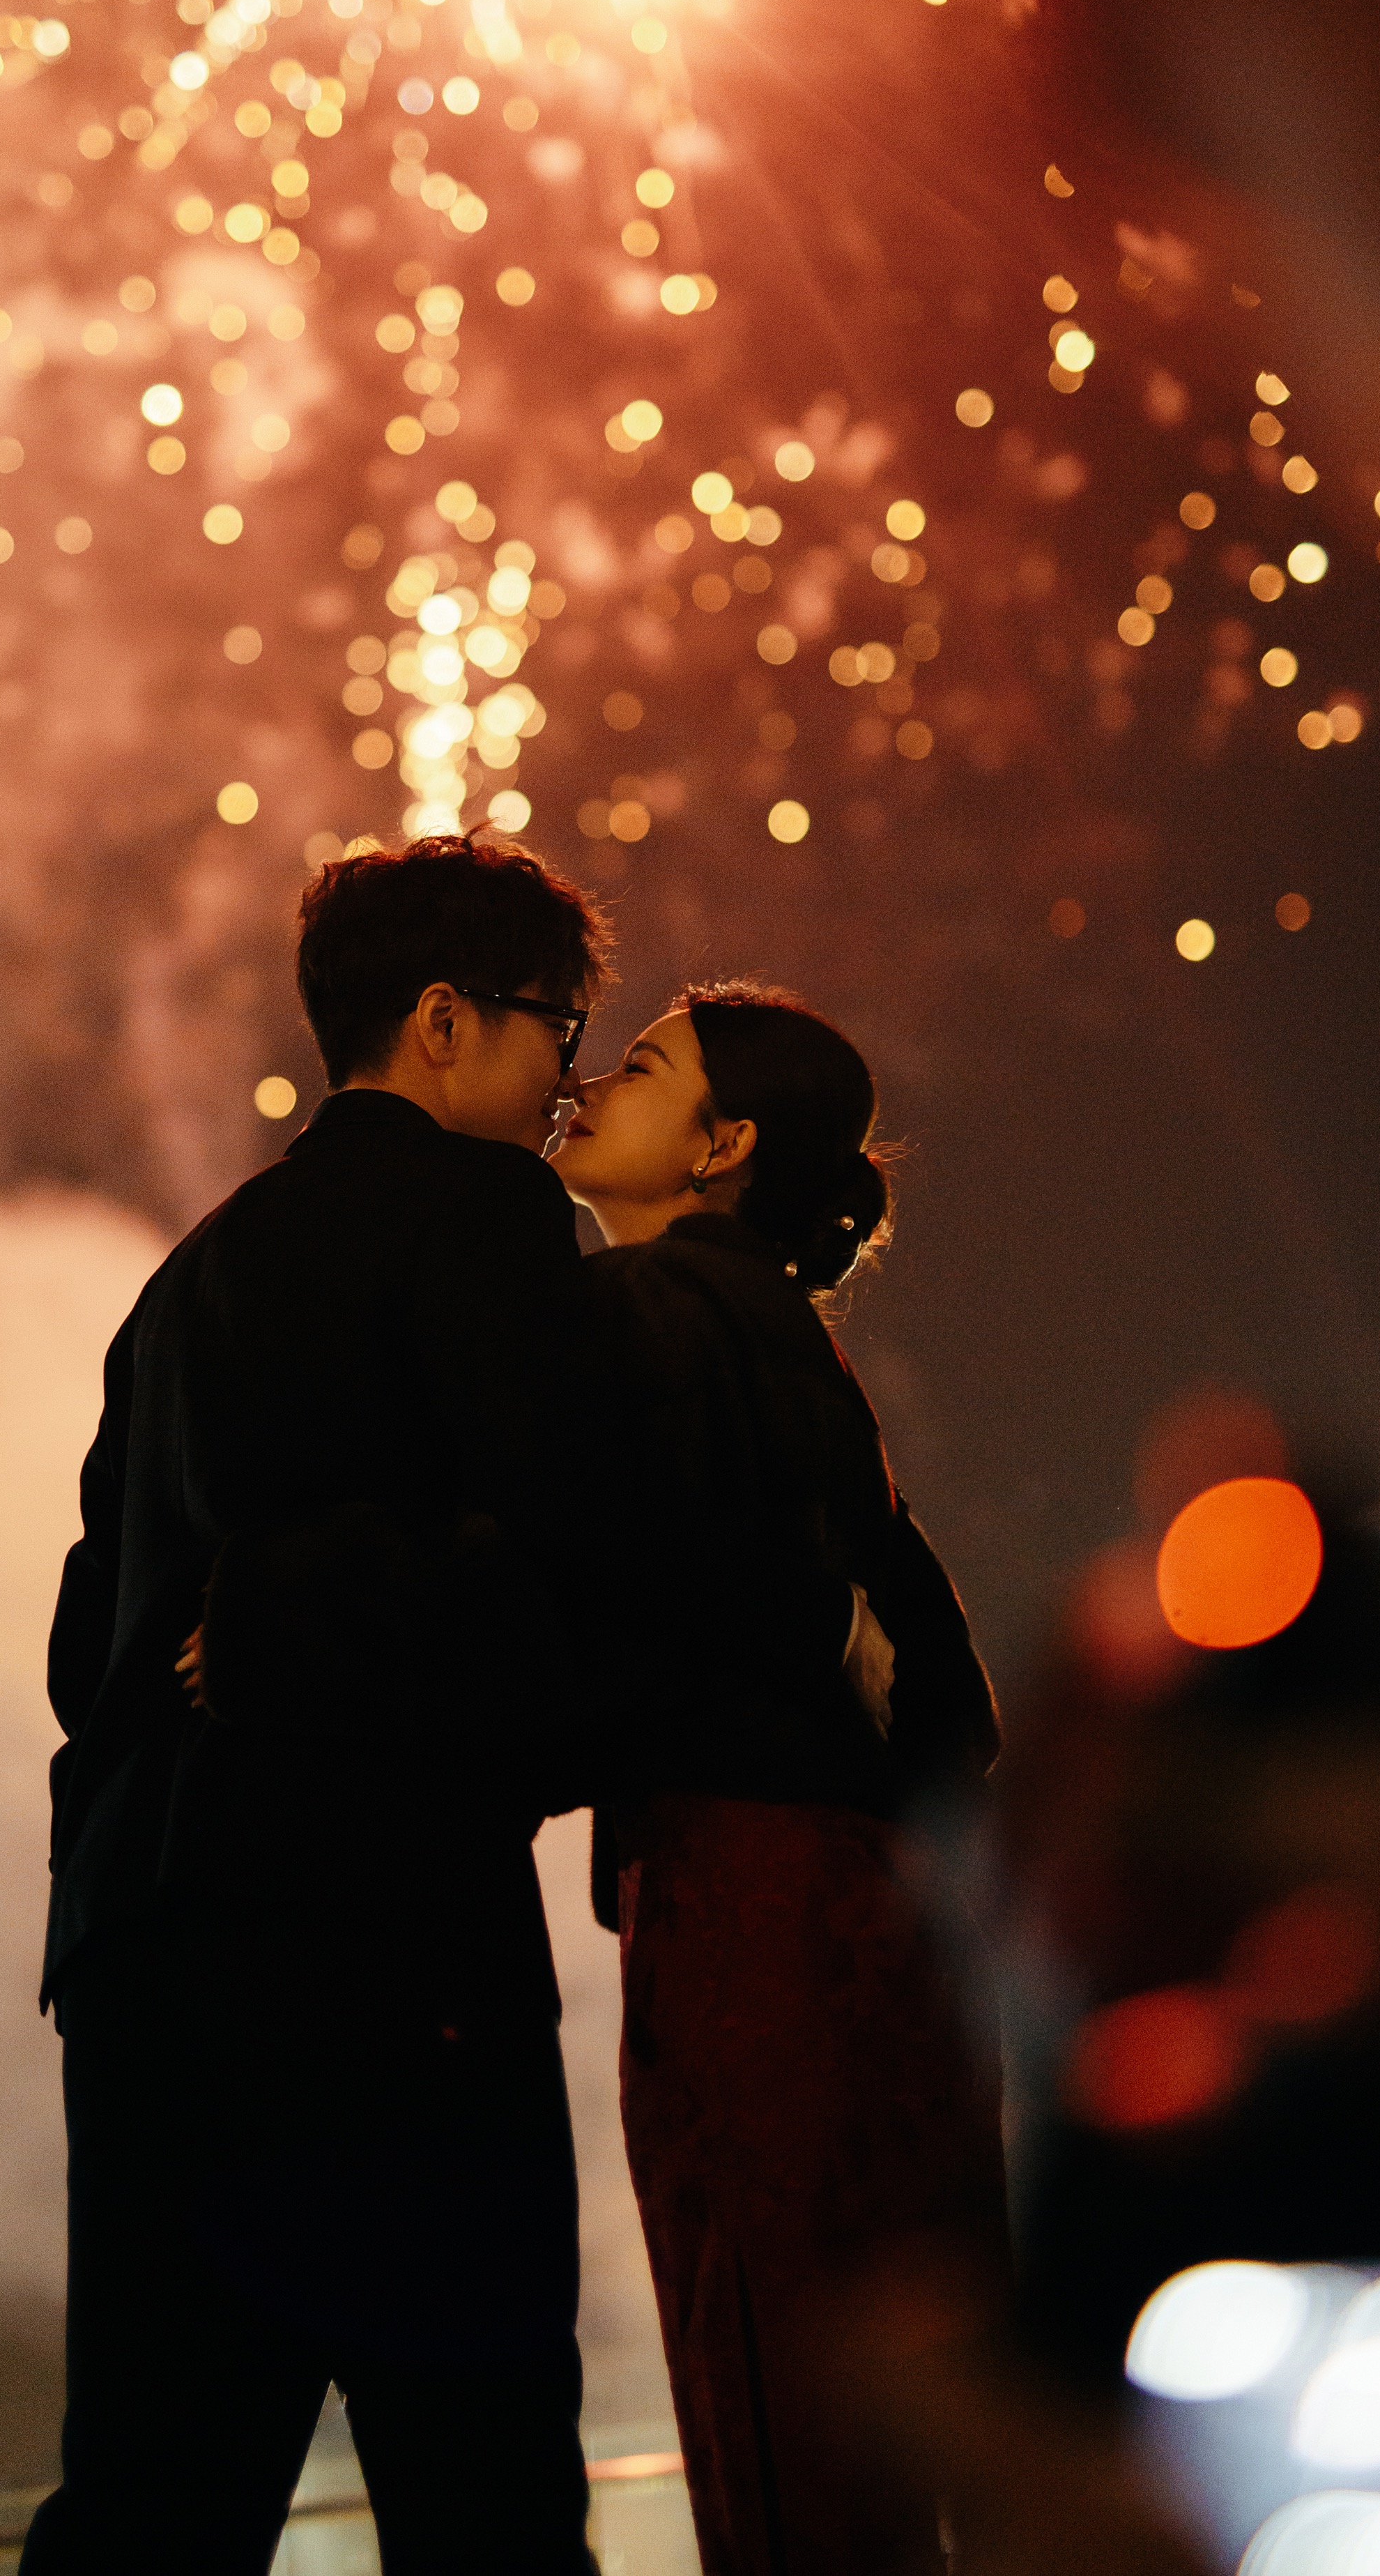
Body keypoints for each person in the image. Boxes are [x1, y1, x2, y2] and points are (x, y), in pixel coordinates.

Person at [20, 835, 611, 2576]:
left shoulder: (181, 1283)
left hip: (140, 1954)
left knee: (150, 2504)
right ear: (444, 1021)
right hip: (385, 1950)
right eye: (558, 1029)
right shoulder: (487, 1216)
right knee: (485, 2494)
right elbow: (571, 1552)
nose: (568, 1084)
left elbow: (83, 1652)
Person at [555, 981, 1004, 2576]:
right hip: (873, 1914)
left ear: (722, 1143)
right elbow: (948, 1697)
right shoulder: (790, 1343)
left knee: (767, 2381)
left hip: (744, 1902)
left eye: (643, 1067)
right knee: (888, 2405)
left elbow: (611, 1572)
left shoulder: (647, 1305)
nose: (590, 1083)